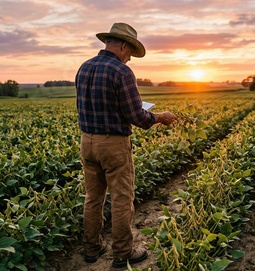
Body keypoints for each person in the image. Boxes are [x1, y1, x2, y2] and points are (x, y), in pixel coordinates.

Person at [75, 22, 178, 268]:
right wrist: (160, 117)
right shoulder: (121, 72)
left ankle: (92, 248)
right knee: (121, 199)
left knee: (93, 198)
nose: (130, 58)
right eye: (130, 52)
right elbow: (138, 117)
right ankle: (122, 253)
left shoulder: (84, 67)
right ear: (122, 45)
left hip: (87, 141)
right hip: (113, 144)